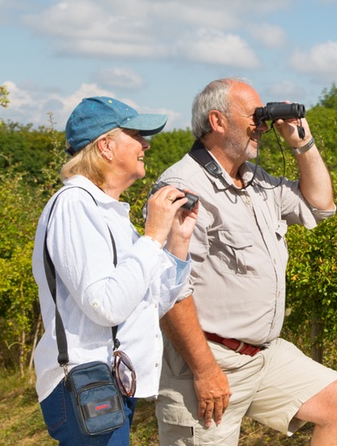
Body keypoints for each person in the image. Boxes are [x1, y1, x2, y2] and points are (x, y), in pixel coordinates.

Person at [154, 79, 337, 445]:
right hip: (207, 360)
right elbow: (168, 289)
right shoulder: (183, 186)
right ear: (217, 122)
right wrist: (205, 371)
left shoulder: (255, 181)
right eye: (255, 117)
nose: (264, 126)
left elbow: (321, 206)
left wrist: (303, 145)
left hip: (263, 355)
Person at [32, 96, 200, 445]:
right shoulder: (75, 205)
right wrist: (153, 234)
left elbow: (156, 299)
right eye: (136, 134)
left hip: (107, 383)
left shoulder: (109, 212)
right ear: (106, 146)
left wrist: (177, 241)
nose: (146, 144)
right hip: (85, 384)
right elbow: (106, 305)